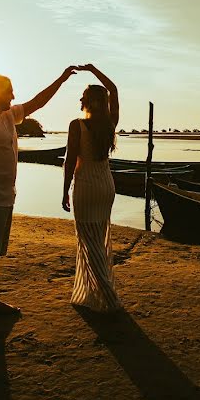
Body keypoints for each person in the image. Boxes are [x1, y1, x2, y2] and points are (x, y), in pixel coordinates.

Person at [0, 67, 77, 338]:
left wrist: (62, 78)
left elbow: (37, 102)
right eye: (9, 90)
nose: (13, 95)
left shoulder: (8, 116)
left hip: (4, 199)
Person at [62, 64, 121, 313]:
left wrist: (64, 190)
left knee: (89, 242)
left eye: (83, 96)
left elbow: (70, 160)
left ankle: (109, 298)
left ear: (91, 101)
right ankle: (94, 293)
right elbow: (114, 89)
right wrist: (93, 70)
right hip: (106, 185)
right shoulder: (109, 123)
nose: (80, 99)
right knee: (97, 237)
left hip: (86, 187)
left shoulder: (78, 125)